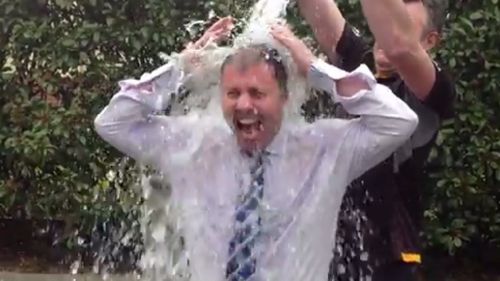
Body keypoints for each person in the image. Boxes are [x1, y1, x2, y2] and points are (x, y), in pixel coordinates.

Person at [94, 14, 418, 281]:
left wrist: (316, 72)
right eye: (233, 93)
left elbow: (399, 120)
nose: (244, 105)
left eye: (257, 93)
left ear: (284, 97)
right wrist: (179, 67)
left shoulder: (326, 148)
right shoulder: (192, 146)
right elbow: (112, 123)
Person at [297, 0, 456, 280]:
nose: (384, 33)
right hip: (327, 246)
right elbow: (317, 9)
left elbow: (400, 47)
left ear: (430, 41)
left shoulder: (432, 91)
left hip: (388, 258)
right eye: (381, 21)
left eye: (400, 24)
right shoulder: (360, 66)